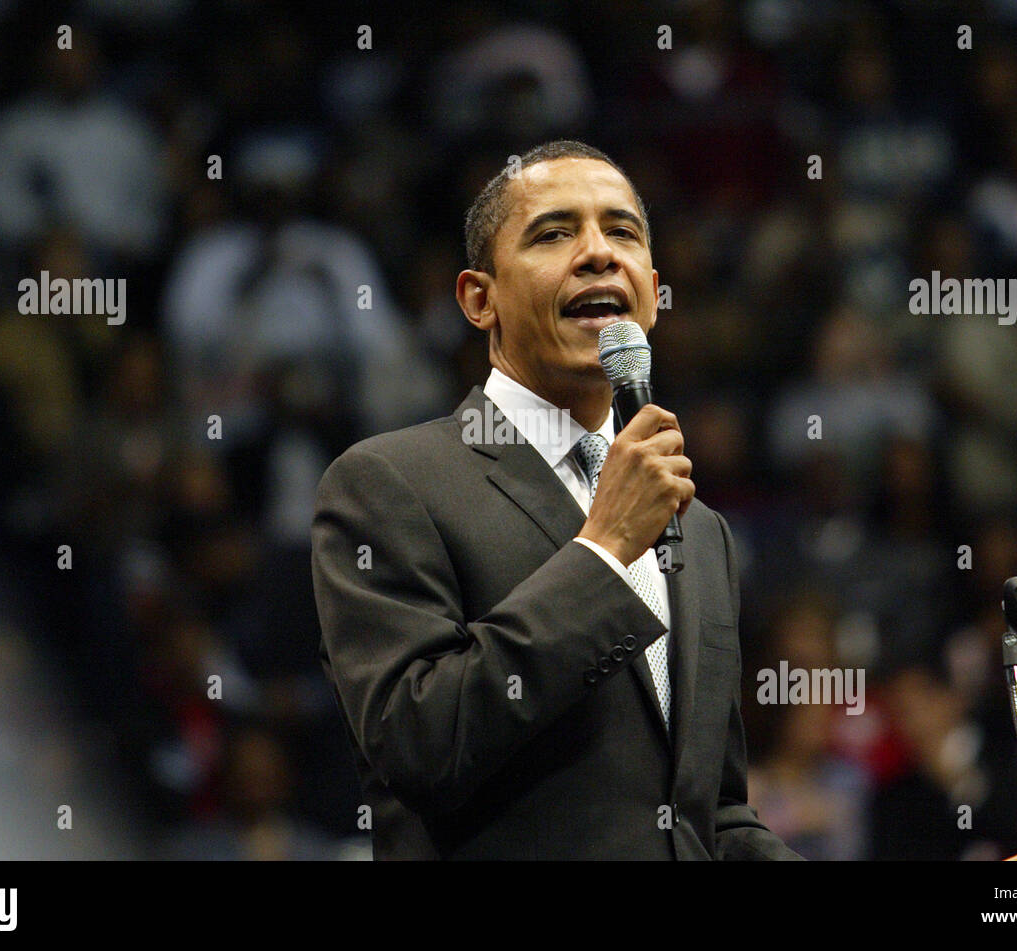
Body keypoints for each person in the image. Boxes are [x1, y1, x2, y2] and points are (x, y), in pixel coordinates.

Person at [311, 140, 800, 860]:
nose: (600, 253)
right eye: (554, 232)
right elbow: (421, 745)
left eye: (623, 231)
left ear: (653, 291)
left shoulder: (700, 530)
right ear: (480, 298)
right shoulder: (389, 483)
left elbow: (712, 814)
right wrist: (603, 552)